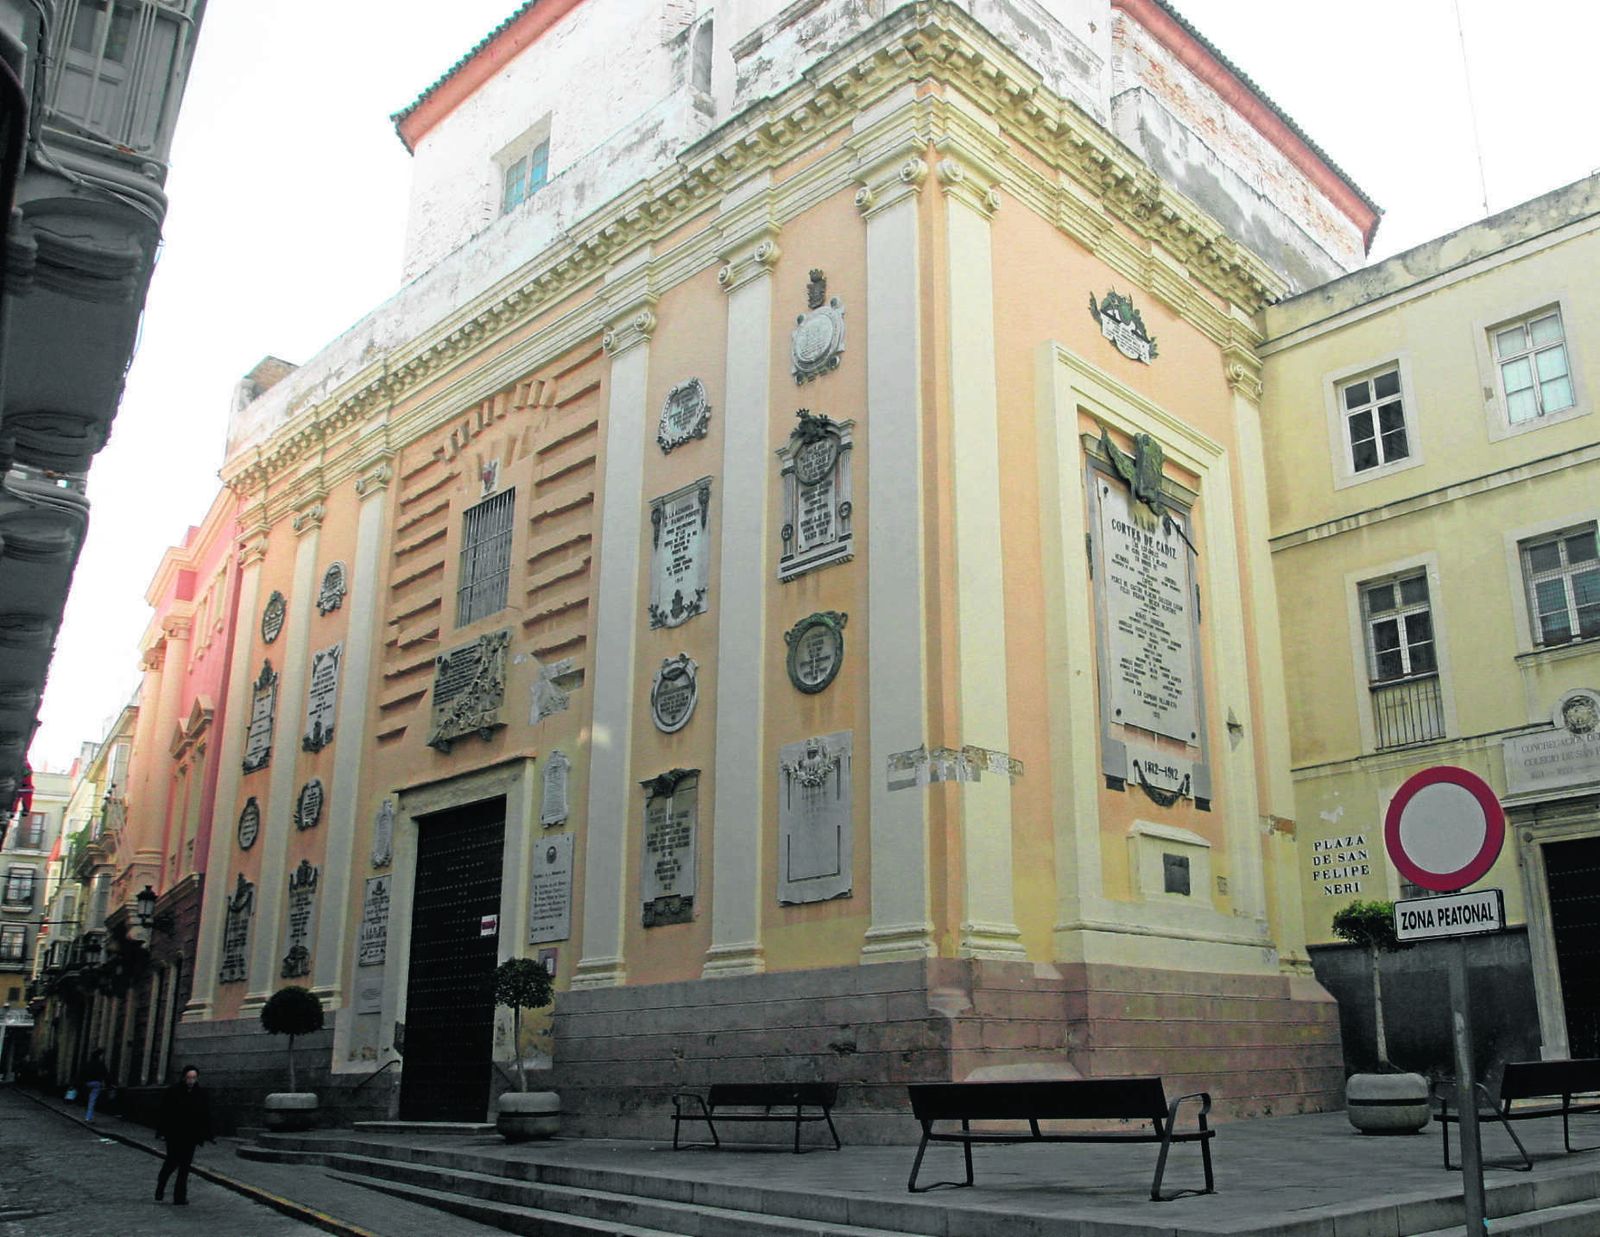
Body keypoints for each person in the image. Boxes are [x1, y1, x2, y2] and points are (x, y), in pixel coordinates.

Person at [155, 1065, 213, 1205]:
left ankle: (179, 1196)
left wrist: (207, 1134)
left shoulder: (200, 1094)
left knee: (185, 1167)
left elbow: (205, 1115)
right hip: (174, 1134)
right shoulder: (173, 1091)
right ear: (183, 1077)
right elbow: (164, 1112)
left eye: (193, 1078)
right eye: (189, 1077)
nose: (191, 1080)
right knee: (171, 1162)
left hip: (190, 1136)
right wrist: (162, 1131)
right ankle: (161, 1185)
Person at [82, 1049, 107, 1122]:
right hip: (96, 1083)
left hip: (87, 1083)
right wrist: (110, 1084)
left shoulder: (88, 1063)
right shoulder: (100, 1064)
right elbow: (105, 1074)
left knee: (89, 1100)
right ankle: (88, 1117)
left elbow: (82, 1073)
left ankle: (89, 1116)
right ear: (99, 1056)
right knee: (92, 1101)